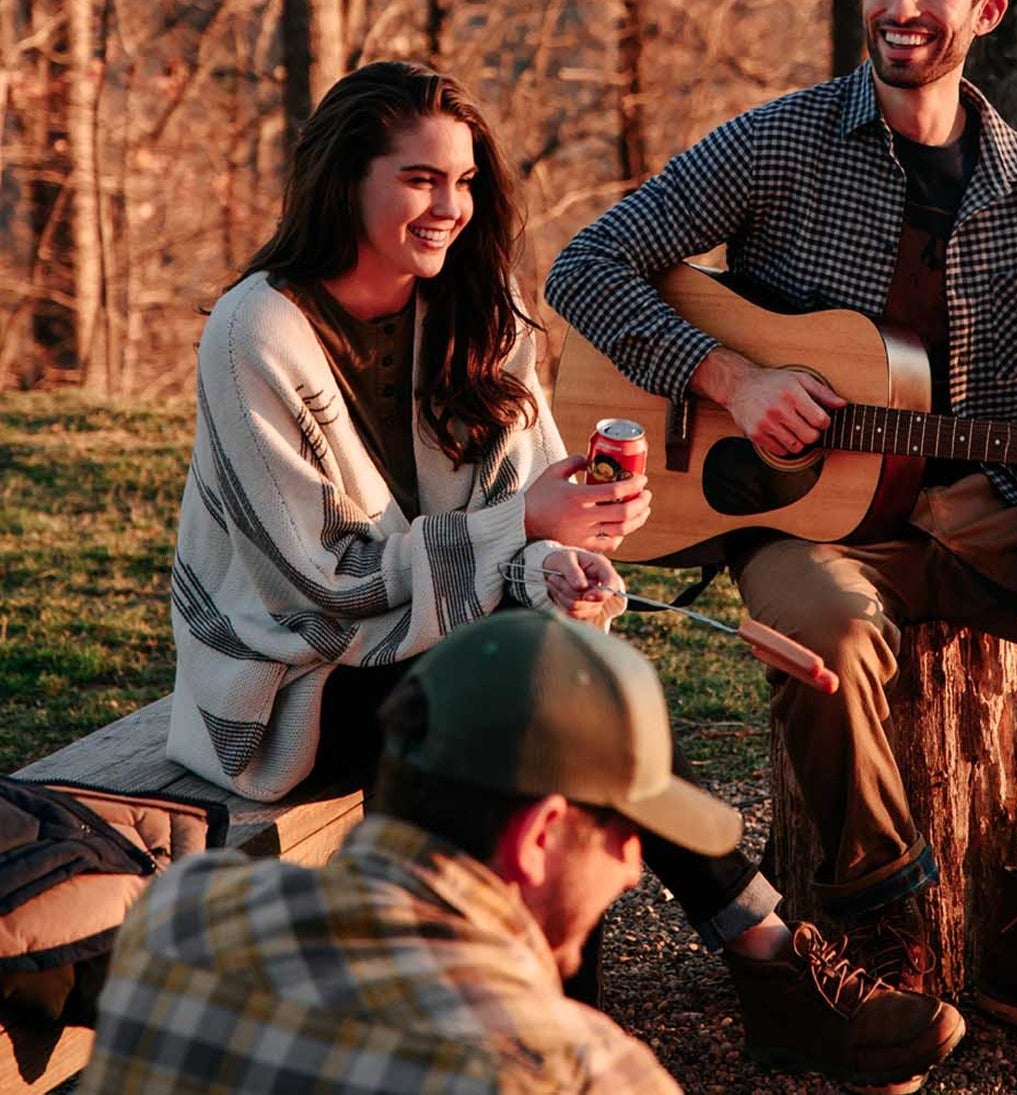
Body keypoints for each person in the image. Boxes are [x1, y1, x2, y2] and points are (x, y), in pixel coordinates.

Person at [548, 0, 1017, 1075]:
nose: (900, 5)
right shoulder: (779, 140)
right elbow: (588, 262)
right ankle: (880, 917)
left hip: (986, 516)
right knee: (816, 623)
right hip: (811, 526)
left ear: (983, 9)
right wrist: (726, 377)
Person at [167, 59, 959, 1091]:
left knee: (567, 693)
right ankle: (724, 977)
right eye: (417, 179)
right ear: (344, 178)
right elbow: (319, 582)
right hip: (291, 678)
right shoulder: (256, 331)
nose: (447, 206)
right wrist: (522, 532)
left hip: (459, 642)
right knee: (529, 728)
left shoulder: (479, 303)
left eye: (461, 182)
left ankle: (641, 1004)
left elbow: (534, 499)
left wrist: (565, 562)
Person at [81, 610, 736, 1093]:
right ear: (538, 837)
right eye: (624, 832)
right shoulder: (576, 1072)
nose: (630, 869)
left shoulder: (179, 917)